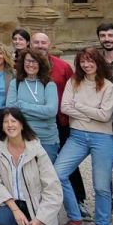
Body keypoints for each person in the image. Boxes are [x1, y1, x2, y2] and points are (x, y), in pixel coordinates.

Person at [55, 47, 113, 225]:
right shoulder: (73, 82)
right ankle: (75, 220)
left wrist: (79, 107)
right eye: (83, 61)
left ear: (98, 62)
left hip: (103, 138)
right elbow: (65, 107)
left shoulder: (108, 86)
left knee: (101, 185)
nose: (86, 65)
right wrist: (93, 113)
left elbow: (105, 116)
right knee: (58, 173)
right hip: (78, 136)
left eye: (90, 61)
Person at [32, 32, 83, 202]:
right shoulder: (26, 66)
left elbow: (76, 91)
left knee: (67, 162)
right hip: (34, 122)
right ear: (31, 45)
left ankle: (78, 199)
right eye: (36, 42)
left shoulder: (63, 67)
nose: (40, 45)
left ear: (50, 44)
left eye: (43, 42)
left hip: (60, 121)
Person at [6, 49, 60, 159]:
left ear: (41, 64)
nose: (31, 64)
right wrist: (41, 112)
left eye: (35, 61)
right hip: (22, 138)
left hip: (46, 139)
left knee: (46, 175)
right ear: (23, 63)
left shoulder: (49, 84)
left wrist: (21, 105)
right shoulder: (15, 83)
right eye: (28, 61)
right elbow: (10, 109)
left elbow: (51, 111)